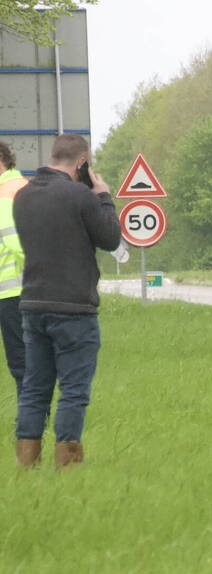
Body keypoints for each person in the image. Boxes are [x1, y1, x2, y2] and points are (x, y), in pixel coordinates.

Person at [12, 134, 120, 467]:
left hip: (33, 306)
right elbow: (110, 238)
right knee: (73, 389)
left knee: (34, 387)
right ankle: (68, 462)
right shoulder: (80, 196)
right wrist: (103, 197)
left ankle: (27, 461)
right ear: (82, 162)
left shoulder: (23, 196)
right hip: (74, 309)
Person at [0, 142, 28, 395]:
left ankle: (33, 416)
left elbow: (13, 241)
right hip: (29, 287)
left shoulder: (4, 193)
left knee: (21, 362)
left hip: (12, 289)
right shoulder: (25, 185)